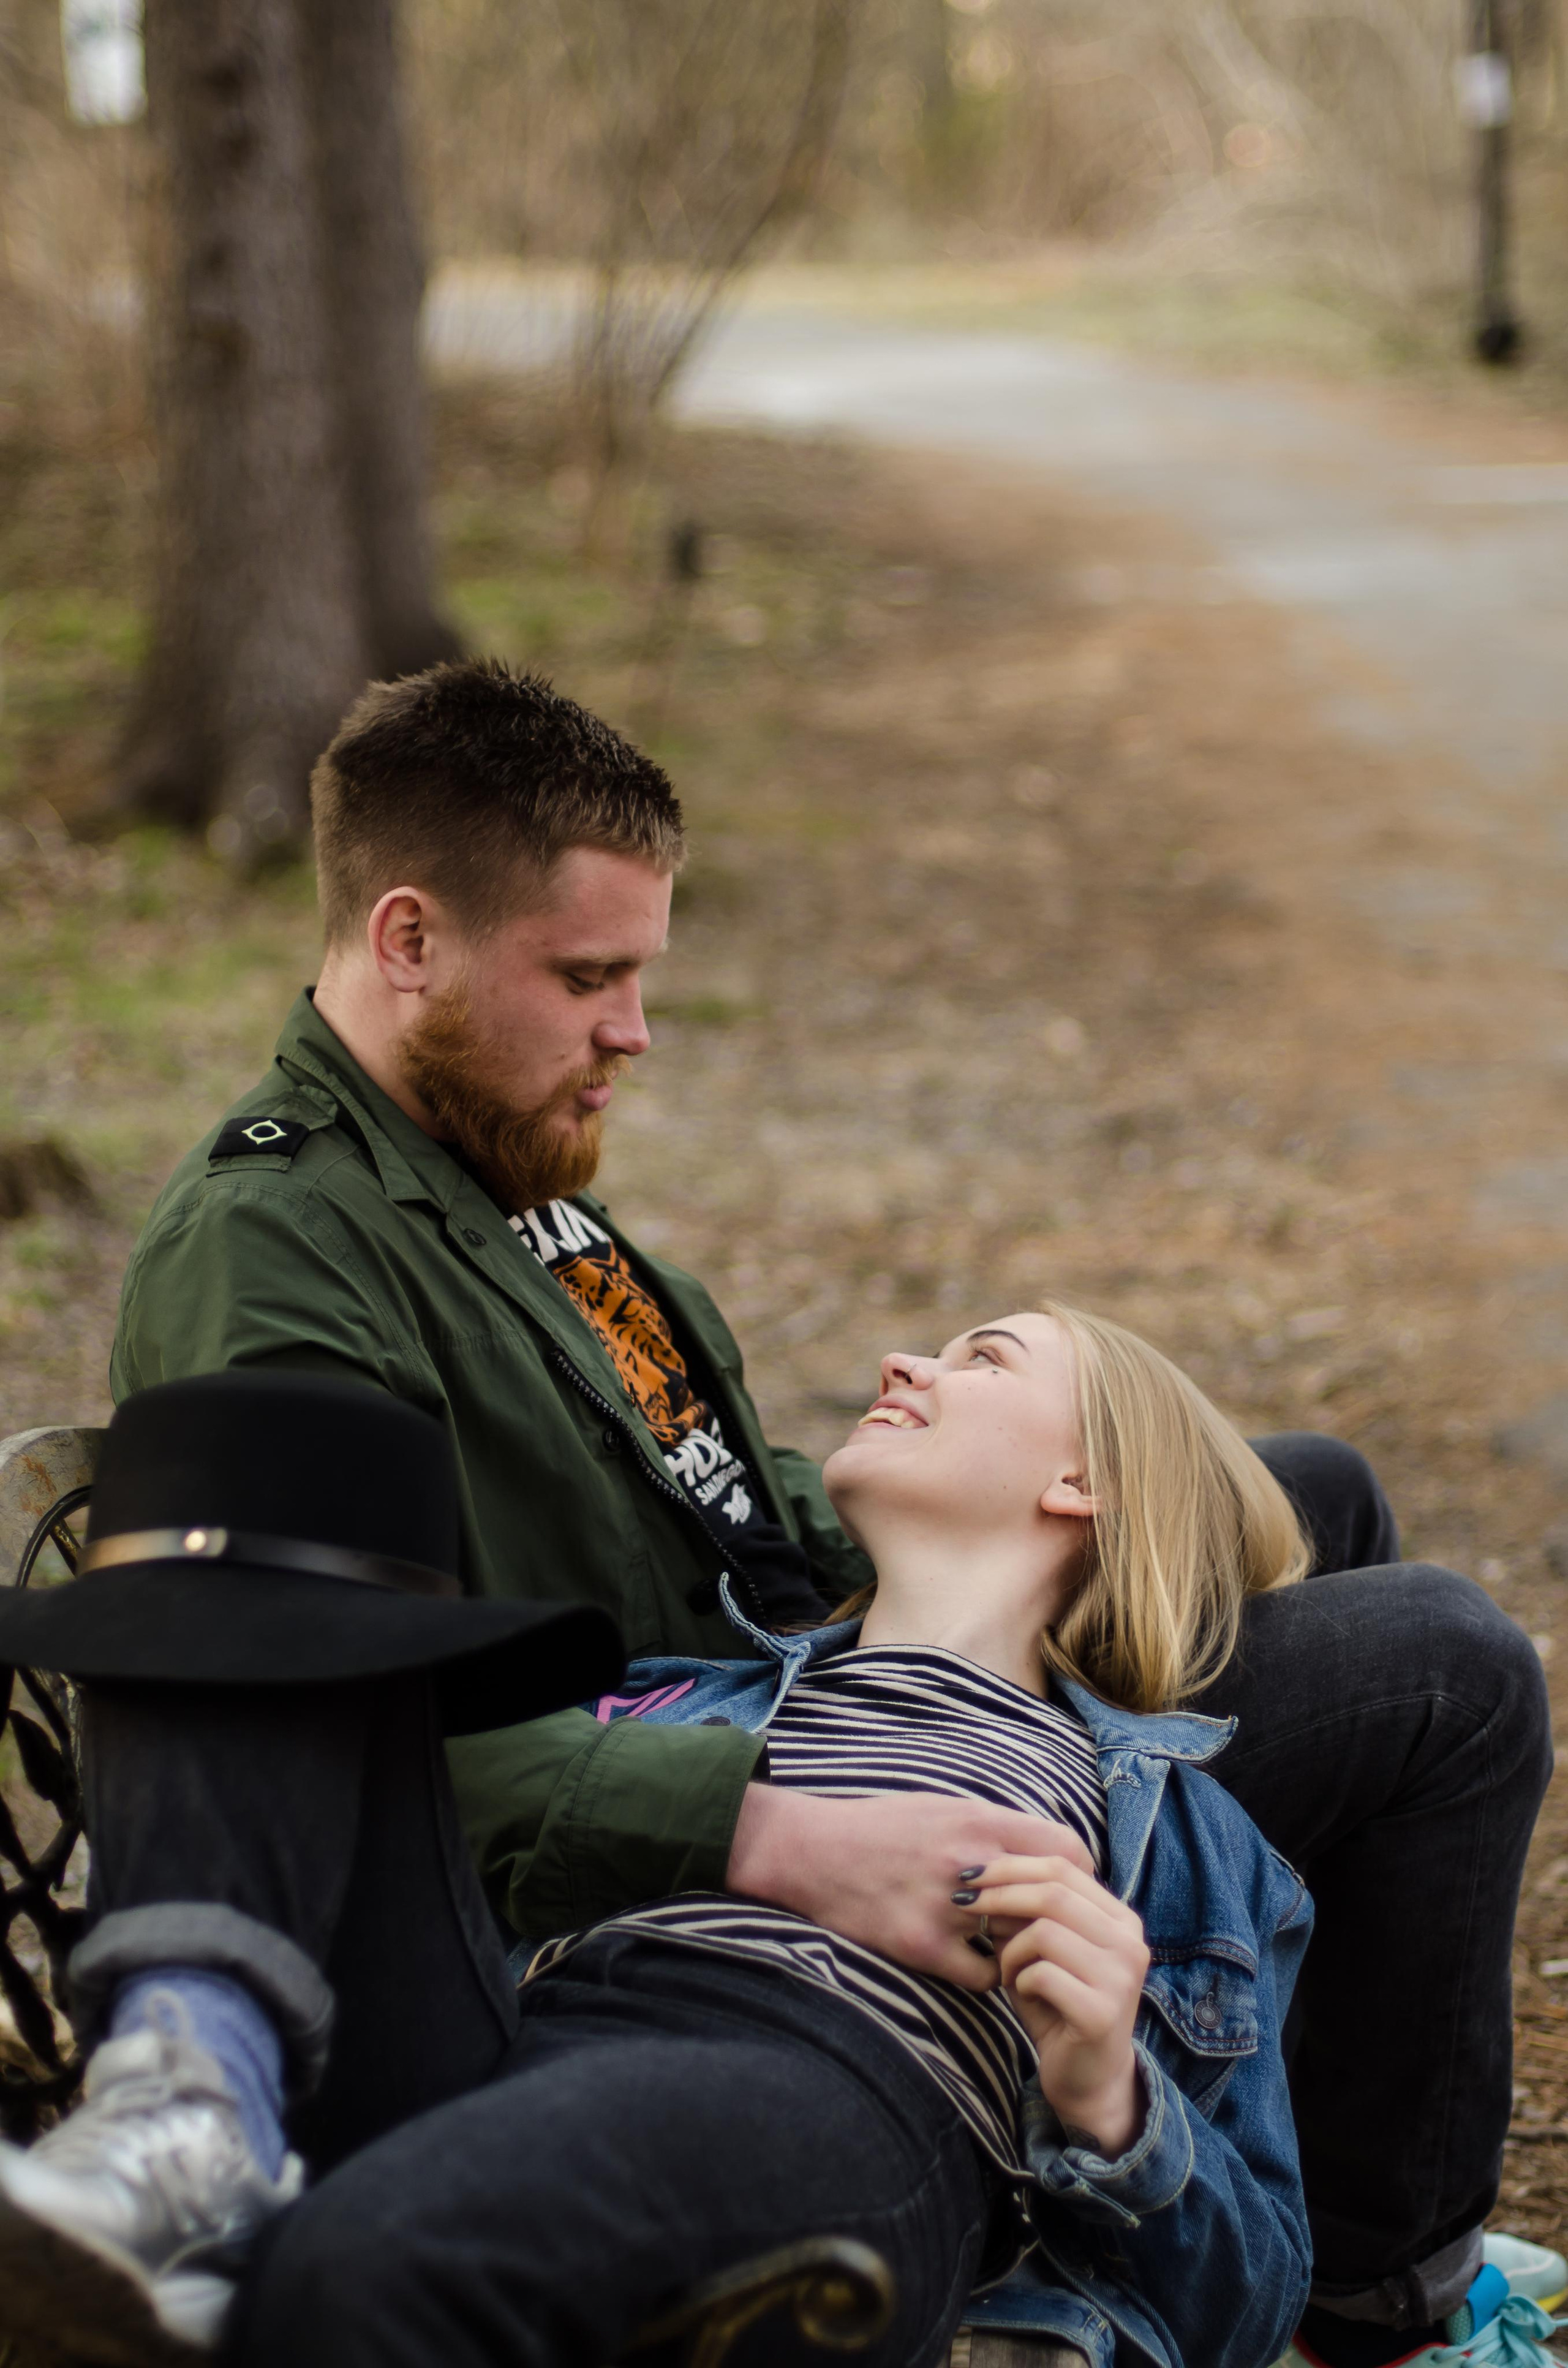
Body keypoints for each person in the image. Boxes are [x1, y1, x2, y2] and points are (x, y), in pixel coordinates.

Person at [104, 657, 1556, 2364]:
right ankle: (1365, 2278)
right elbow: (317, 1715)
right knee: (1445, 1664)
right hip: (643, 1818)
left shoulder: (521, 1205)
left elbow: (755, 1535)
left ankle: (1259, 2126)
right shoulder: (282, 1246)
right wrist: (786, 1806)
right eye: (589, 979)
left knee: (1310, 1493)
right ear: (408, 940)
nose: (633, 1031)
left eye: (641, 974)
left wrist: (972, 1524)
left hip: (792, 1684)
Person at [1, 1315, 1324, 2368]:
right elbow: (395, 1805)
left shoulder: (1178, 1833)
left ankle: (242, 2275)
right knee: (250, 1466)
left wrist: (1112, 2101)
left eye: (984, 1354)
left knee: (372, 2260)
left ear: (1080, 1478)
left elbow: (1251, 2297)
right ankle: (190, 2099)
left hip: (828, 2078)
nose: (904, 1360)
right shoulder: (672, 1688)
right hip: (517, 2020)